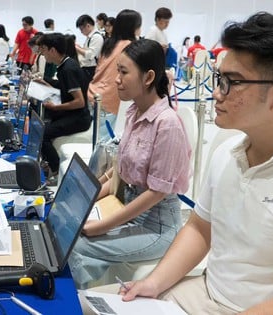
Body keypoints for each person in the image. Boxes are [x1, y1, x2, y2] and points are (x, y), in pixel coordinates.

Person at [94, 12, 273, 315]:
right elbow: (200, 229)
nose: (216, 92)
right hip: (199, 294)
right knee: (84, 304)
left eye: (231, 82)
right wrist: (155, 282)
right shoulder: (228, 152)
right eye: (219, 79)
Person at [70, 39, 191, 289]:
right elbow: (119, 172)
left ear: (148, 77)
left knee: (71, 245)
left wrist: (102, 226)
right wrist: (82, 202)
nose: (117, 79)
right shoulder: (134, 112)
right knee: (66, 232)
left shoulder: (167, 124)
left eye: (124, 72)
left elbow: (156, 193)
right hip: (129, 210)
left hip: (156, 227)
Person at [36, 33, 92, 185]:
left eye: (44, 50)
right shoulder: (65, 65)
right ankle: (49, 160)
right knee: (43, 121)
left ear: (53, 50)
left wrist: (56, 107)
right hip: (73, 113)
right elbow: (64, 89)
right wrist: (46, 83)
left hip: (79, 117)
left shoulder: (68, 69)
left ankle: (55, 171)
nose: (42, 53)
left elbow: (79, 102)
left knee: (42, 133)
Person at [88, 9, 141, 137]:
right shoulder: (130, 46)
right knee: (105, 145)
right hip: (110, 98)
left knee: (98, 140)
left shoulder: (109, 43)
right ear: (133, 27)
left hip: (95, 93)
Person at [75, 14, 105, 82]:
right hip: (87, 69)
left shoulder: (96, 37)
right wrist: (80, 48)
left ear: (88, 26)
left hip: (91, 70)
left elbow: (90, 55)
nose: (81, 32)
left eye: (81, 29)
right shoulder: (90, 37)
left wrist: (77, 49)